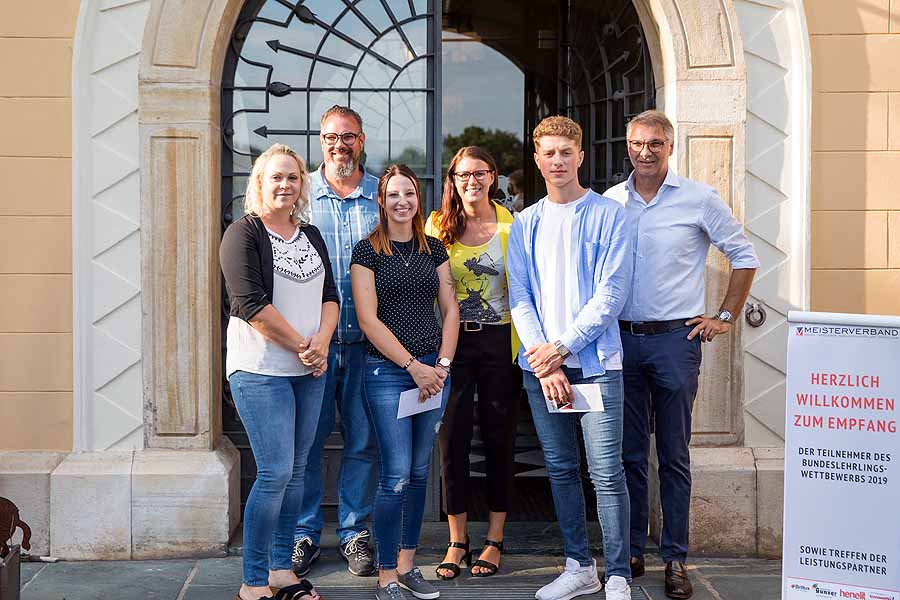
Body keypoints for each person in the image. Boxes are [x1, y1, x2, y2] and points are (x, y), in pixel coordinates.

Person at [604, 110, 759, 600]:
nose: (645, 151)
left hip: (676, 341)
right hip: (621, 341)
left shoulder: (699, 198)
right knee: (628, 455)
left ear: (670, 147)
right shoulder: (610, 202)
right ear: (627, 147)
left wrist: (725, 316)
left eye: (655, 143)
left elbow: (744, 256)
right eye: (637, 143)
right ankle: (631, 551)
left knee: (673, 455)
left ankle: (675, 558)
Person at [507, 116, 633, 600]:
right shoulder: (526, 222)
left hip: (596, 366)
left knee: (606, 473)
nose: (557, 161)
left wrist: (560, 350)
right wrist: (546, 363)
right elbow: (520, 297)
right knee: (560, 469)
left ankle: (618, 574)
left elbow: (611, 295)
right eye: (549, 153)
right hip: (543, 371)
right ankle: (580, 566)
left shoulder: (609, 215)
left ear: (580, 156)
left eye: (565, 152)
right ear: (537, 161)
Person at [220, 143, 338, 600]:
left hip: (309, 370)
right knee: (274, 472)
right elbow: (251, 305)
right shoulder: (243, 234)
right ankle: (253, 582)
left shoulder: (311, 235)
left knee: (300, 471)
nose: (285, 184)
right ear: (259, 183)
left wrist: (321, 342)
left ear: (302, 184)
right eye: (276, 177)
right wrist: (304, 347)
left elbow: (330, 295)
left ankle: (281, 571)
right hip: (260, 370)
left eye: (293, 177)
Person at [351, 164, 460, 600]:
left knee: (418, 473)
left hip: (434, 373)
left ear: (419, 199)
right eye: (393, 194)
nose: (402, 202)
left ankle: (408, 565)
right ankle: (385, 576)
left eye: (409, 194)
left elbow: (450, 309)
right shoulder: (367, 252)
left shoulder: (434, 249)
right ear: (381, 201)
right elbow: (367, 319)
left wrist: (442, 365)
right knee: (394, 474)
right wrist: (413, 366)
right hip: (388, 373)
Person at [424, 146, 521, 579]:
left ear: (493, 176)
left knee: (500, 440)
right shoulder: (437, 225)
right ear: (453, 179)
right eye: (463, 174)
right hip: (453, 345)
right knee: (452, 441)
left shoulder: (512, 224)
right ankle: (457, 539)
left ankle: (495, 538)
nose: (471, 181)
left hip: (501, 342)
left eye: (479, 173)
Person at [294, 105, 380, 578]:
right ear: (321, 141)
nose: (339, 145)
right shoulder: (301, 195)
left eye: (348, 137)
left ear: (361, 141)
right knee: (307, 444)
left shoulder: (382, 196)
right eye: (331, 137)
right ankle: (304, 533)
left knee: (362, 442)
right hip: (314, 347)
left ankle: (354, 534)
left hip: (369, 347)